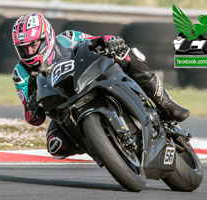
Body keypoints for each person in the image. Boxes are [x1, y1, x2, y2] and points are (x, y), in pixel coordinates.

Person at [12, 13, 190, 159]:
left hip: (89, 80)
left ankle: (166, 103)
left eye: (33, 45)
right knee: (55, 145)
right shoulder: (20, 73)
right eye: (23, 48)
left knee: (124, 53)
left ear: (47, 37)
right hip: (63, 108)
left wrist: (110, 41)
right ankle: (102, 150)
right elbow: (33, 119)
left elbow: (96, 41)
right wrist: (32, 107)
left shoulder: (67, 38)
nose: (29, 52)